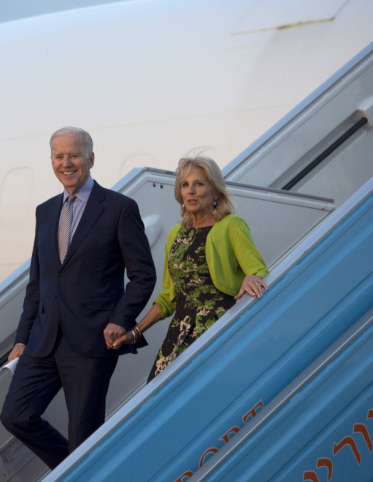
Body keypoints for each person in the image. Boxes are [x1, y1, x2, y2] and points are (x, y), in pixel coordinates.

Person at [0, 126, 156, 469]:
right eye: (59, 156)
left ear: (91, 158)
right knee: (16, 416)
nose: (66, 163)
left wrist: (119, 319)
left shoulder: (119, 208)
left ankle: (82, 469)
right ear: (52, 160)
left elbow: (144, 275)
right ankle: (77, 470)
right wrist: (22, 339)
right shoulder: (45, 211)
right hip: (43, 341)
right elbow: (37, 284)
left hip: (90, 341)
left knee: (85, 436)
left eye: (74, 155)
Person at [112, 154, 268, 381]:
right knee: (156, 395)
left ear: (215, 191)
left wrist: (250, 277)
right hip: (179, 333)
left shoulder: (231, 226)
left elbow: (258, 270)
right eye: (185, 185)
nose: (191, 191)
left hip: (218, 329)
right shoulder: (176, 235)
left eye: (199, 184)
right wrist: (134, 332)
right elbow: (168, 298)